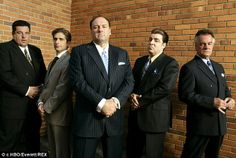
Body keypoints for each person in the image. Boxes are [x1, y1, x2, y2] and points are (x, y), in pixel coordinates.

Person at [69, 16, 134, 158]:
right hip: (88, 120)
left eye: (104, 26)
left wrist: (115, 102)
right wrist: (102, 103)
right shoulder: (79, 52)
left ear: (110, 31)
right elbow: (77, 81)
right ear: (91, 31)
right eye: (95, 27)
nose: (100, 29)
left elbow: (129, 81)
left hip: (114, 120)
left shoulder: (122, 54)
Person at [178, 29, 235, 158]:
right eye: (202, 44)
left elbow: (225, 89)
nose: (206, 46)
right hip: (200, 126)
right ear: (196, 45)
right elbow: (185, 95)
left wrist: (230, 99)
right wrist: (211, 102)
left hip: (219, 124)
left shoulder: (219, 67)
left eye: (209, 43)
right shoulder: (189, 68)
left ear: (213, 45)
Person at [127, 28, 179, 158]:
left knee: (152, 154)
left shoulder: (170, 63)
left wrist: (140, 100)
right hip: (135, 117)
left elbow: (165, 88)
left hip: (155, 119)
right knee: (133, 152)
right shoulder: (140, 61)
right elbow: (131, 83)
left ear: (164, 45)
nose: (151, 42)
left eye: (156, 40)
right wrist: (131, 95)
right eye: (150, 39)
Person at [0, 20, 46, 152]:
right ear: (13, 33)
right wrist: (27, 90)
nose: (24, 36)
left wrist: (43, 88)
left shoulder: (36, 50)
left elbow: (42, 72)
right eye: (20, 33)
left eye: (27, 33)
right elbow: (4, 75)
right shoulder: (4, 49)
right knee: (8, 142)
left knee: (32, 140)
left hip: (33, 106)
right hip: (12, 107)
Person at [37, 28, 73, 158]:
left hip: (60, 114)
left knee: (61, 152)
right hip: (50, 113)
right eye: (55, 39)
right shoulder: (53, 62)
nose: (57, 42)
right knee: (52, 150)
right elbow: (47, 86)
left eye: (61, 39)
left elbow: (62, 89)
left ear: (68, 43)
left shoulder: (70, 61)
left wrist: (46, 107)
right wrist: (40, 101)